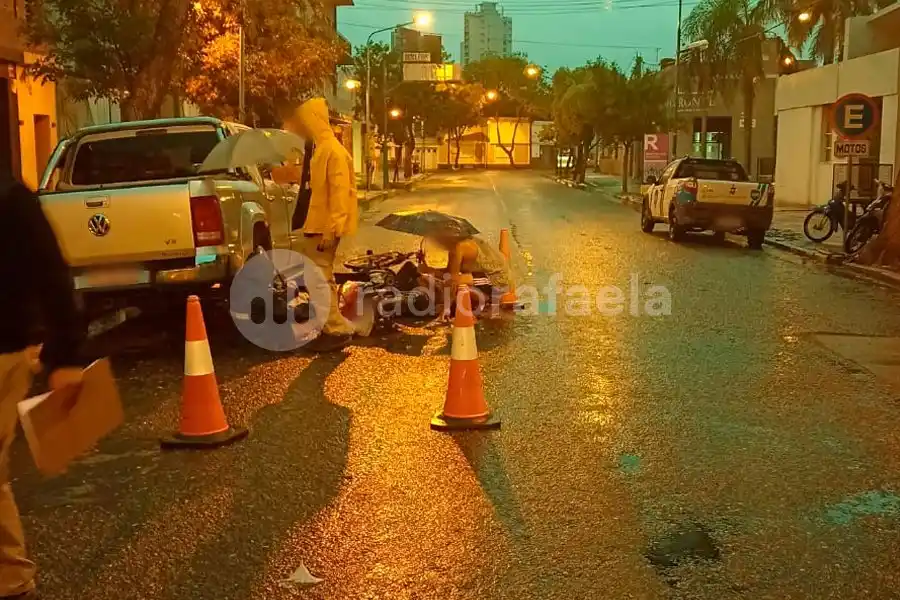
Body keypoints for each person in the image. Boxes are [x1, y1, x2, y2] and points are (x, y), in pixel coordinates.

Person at [0, 176, 84, 600]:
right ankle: (11, 579)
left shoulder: (12, 198)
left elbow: (50, 274)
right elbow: (51, 273)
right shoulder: (13, 196)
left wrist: (65, 354)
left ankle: (12, 579)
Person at [280, 97, 359, 351]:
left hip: (323, 226)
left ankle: (335, 329)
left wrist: (332, 228)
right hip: (316, 224)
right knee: (320, 278)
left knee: (319, 279)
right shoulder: (321, 149)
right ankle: (332, 327)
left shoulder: (332, 151)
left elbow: (340, 193)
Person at [418, 222, 510, 320]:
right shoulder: (460, 244)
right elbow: (449, 273)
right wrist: (427, 268)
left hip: (496, 281)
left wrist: (446, 309)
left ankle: (487, 299)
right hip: (487, 275)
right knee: (443, 281)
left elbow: (452, 280)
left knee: (454, 285)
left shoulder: (458, 247)